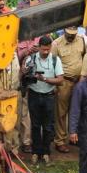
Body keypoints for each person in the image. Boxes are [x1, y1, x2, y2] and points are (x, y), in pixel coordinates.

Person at [22, 35, 63, 164]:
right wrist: (24, 71)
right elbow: (23, 76)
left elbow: (60, 80)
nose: (46, 52)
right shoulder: (31, 58)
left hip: (49, 95)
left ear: (50, 47)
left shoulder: (55, 60)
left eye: (48, 49)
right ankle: (35, 152)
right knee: (35, 125)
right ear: (38, 47)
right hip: (34, 94)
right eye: (43, 49)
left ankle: (46, 152)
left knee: (48, 126)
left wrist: (44, 79)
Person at [51, 27, 86, 153]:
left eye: (73, 34)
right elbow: (52, 64)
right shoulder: (56, 44)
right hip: (64, 82)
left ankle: (74, 137)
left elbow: (83, 57)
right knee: (61, 113)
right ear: (64, 31)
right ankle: (60, 141)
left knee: (76, 110)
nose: (71, 36)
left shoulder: (81, 40)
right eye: (69, 34)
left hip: (79, 82)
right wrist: (55, 85)